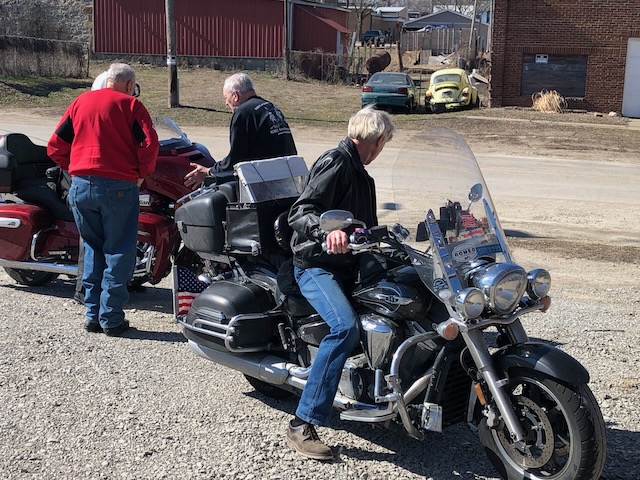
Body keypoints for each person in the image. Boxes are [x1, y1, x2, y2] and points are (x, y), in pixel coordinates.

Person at [285, 106, 396, 460]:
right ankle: (302, 423)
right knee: (345, 328)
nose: (382, 149)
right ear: (374, 140)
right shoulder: (336, 162)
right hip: (316, 265)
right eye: (383, 142)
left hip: (349, 264)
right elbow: (301, 211)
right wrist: (325, 232)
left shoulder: (362, 174)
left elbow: (365, 226)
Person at [47, 63, 159, 336]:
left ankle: (92, 314)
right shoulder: (131, 106)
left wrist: (75, 167)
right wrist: (141, 174)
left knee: (93, 248)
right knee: (119, 249)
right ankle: (111, 317)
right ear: (130, 85)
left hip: (81, 186)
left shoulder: (80, 102)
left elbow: (55, 146)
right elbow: (149, 144)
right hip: (119, 185)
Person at [183, 72, 297, 187]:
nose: (226, 103)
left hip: (265, 183)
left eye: (226, 97)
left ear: (235, 96)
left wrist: (209, 171)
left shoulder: (244, 113)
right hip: (288, 178)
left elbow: (236, 159)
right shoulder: (271, 107)